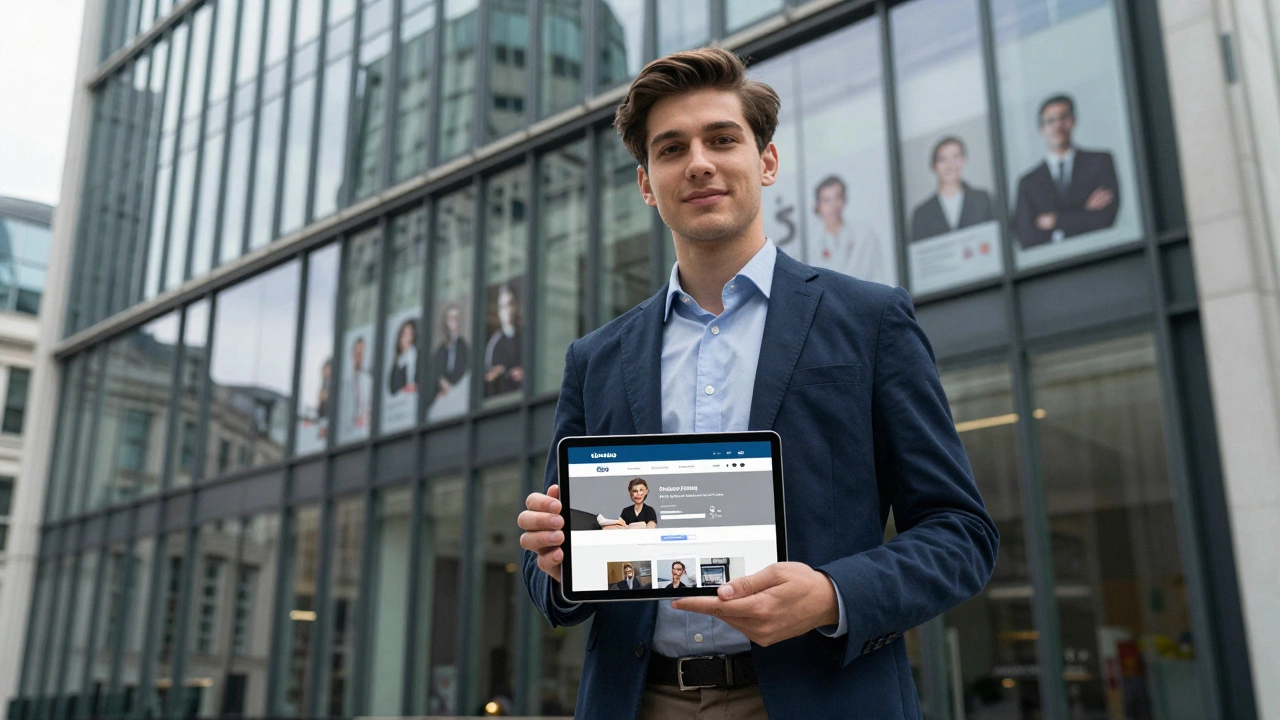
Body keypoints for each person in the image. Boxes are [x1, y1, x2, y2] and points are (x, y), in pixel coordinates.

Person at [517, 47, 997, 719]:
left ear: (766, 162)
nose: (700, 163)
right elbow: (544, 584)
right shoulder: (595, 358)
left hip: (822, 696)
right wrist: (557, 567)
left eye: (722, 139)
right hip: (638, 699)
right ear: (648, 184)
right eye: (672, 149)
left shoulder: (871, 321)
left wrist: (833, 594)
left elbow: (960, 533)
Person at [1012, 94, 1120, 249]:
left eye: (1063, 117)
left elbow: (1105, 218)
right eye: (1050, 121)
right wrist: (1083, 213)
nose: (1058, 126)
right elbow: (1025, 236)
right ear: (1042, 129)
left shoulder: (1100, 162)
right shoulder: (1028, 182)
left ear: (1073, 121)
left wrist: (1054, 221)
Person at [807, 175, 891, 284]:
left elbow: (877, 277)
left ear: (844, 200)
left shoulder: (864, 235)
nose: (833, 206)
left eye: (837, 198)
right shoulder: (812, 244)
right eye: (827, 200)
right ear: (818, 206)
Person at [910, 136, 995, 242]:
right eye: (943, 159)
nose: (950, 165)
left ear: (963, 160)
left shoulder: (982, 199)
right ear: (934, 166)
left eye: (956, 157)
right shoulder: (921, 213)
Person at [484, 285, 524, 396]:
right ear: (498, 311)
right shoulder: (494, 343)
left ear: (515, 307)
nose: (508, 311)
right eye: (503, 307)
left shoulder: (523, 338)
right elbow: (488, 376)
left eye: (510, 305)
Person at [430, 303, 471, 404]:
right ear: (446, 321)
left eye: (456, 318)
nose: (454, 321)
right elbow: (435, 372)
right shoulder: (440, 349)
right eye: (451, 318)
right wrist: (442, 384)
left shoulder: (463, 346)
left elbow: (466, 369)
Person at [387, 318, 418, 395]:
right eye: (404, 334)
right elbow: (393, 388)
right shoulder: (398, 363)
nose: (406, 338)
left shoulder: (418, 356)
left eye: (409, 334)